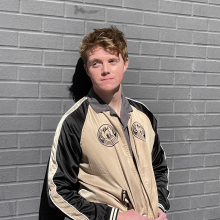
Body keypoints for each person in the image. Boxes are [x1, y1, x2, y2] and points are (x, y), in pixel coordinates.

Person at [39, 26, 170, 220]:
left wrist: (159, 205)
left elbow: (158, 167)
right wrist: (114, 216)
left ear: (125, 64)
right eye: (96, 63)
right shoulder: (75, 121)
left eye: (112, 61)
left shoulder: (144, 115)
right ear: (87, 70)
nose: (105, 70)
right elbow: (58, 191)